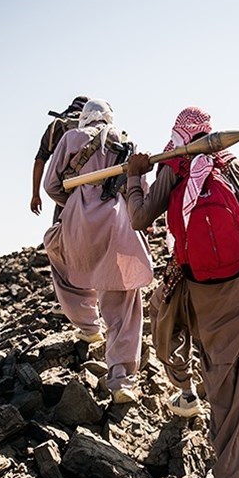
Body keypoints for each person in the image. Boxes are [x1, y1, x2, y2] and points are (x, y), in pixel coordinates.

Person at [125, 106, 239, 478]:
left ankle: (185, 393)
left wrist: (133, 177)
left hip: (186, 282)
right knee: (234, 383)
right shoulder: (235, 165)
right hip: (235, 289)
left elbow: (140, 218)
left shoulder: (172, 165)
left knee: (165, 336)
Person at [43, 98, 153, 404]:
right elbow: (140, 190)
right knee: (124, 304)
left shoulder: (71, 138)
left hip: (78, 224)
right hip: (118, 227)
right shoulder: (127, 142)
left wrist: (80, 202)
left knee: (59, 258)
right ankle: (121, 381)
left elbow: (51, 186)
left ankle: (88, 325)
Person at [31, 95, 88, 223]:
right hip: (93, 191)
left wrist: (35, 194)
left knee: (60, 234)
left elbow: (40, 161)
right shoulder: (95, 127)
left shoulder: (56, 125)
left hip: (64, 190)